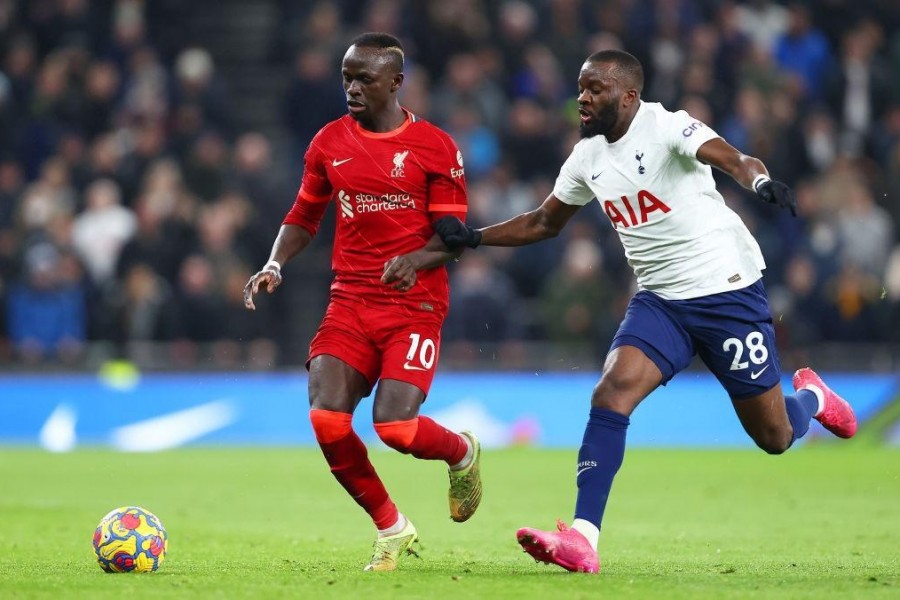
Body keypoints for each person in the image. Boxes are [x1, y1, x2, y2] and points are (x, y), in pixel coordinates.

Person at [425, 49, 857, 574]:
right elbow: (543, 223)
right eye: (580, 88)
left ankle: (812, 397)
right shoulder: (586, 158)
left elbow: (733, 158)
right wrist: (473, 237)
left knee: (774, 438)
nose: (582, 98)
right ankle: (584, 538)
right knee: (611, 392)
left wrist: (759, 181)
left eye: (595, 89)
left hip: (726, 291)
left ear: (628, 95)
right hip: (660, 301)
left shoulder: (668, 126)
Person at [243, 33, 482, 572]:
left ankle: (461, 452)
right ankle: (391, 528)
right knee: (327, 419)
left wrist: (416, 260)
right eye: (346, 76)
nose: (352, 87)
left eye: (364, 78)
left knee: (395, 429)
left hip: (414, 304)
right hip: (350, 300)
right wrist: (275, 262)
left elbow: (453, 235)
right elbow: (304, 215)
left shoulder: (435, 146)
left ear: (396, 82)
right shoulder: (329, 143)